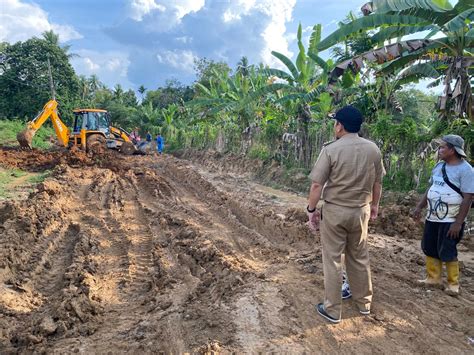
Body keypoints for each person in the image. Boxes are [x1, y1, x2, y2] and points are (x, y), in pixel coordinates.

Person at [306, 105, 385, 324]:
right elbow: (378, 182)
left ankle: (332, 310)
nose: (335, 126)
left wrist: (311, 210)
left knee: (332, 259)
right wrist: (375, 206)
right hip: (361, 210)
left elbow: (316, 185)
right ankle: (364, 304)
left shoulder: (331, 150)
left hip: (335, 211)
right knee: (359, 256)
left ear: (340, 126)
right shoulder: (373, 149)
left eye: (335, 123)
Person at [413, 135, 473, 296]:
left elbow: (468, 198)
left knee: (447, 249)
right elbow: (431, 188)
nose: (439, 150)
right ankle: (433, 278)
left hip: (451, 219)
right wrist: (420, 206)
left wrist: (458, 223)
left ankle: (453, 284)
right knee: (430, 246)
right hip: (433, 216)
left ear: (453, 150)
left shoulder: (466, 170)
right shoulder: (439, 166)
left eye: (442, 147)